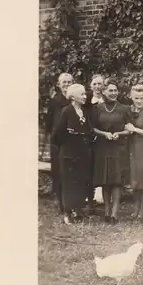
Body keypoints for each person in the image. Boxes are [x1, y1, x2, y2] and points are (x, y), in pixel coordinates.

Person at [52, 84, 93, 225]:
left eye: (85, 94)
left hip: (82, 153)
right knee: (68, 183)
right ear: (73, 97)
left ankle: (78, 210)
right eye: (82, 94)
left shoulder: (84, 112)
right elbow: (56, 135)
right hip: (68, 154)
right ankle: (67, 212)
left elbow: (88, 130)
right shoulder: (66, 111)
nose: (85, 96)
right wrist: (68, 143)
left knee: (80, 181)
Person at [92, 80, 131, 224]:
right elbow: (93, 128)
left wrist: (119, 133)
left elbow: (129, 129)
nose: (113, 93)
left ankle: (114, 213)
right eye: (110, 90)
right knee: (105, 180)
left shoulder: (124, 108)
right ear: (104, 92)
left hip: (118, 147)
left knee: (116, 181)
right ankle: (107, 211)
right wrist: (104, 134)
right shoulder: (98, 108)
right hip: (103, 146)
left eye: (115, 90)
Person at [44, 72, 73, 214]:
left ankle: (72, 204)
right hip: (58, 143)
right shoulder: (54, 101)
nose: (67, 85)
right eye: (64, 82)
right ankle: (62, 204)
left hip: (73, 142)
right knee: (59, 173)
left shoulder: (76, 100)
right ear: (59, 84)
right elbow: (49, 123)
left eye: (69, 82)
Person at [125, 86, 143, 220]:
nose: (139, 101)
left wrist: (134, 129)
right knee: (134, 180)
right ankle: (136, 208)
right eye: (136, 98)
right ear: (132, 97)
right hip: (131, 148)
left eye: (142, 98)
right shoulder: (129, 110)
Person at [84, 74, 105, 212]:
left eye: (100, 84)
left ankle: (101, 197)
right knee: (88, 169)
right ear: (91, 86)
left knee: (100, 168)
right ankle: (89, 201)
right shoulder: (86, 100)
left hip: (103, 138)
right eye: (95, 84)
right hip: (88, 139)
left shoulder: (107, 99)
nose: (97, 87)